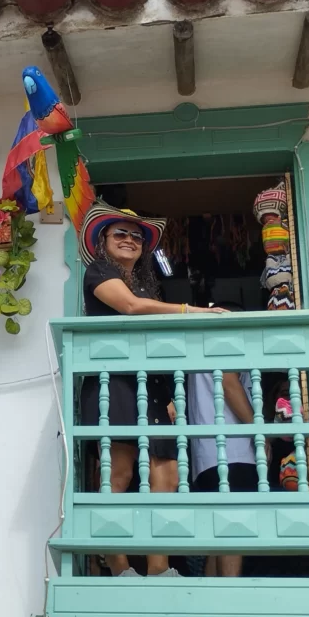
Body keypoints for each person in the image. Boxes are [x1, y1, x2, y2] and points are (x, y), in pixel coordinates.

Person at [78, 200, 227, 578]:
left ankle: (159, 568)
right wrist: (196, 311)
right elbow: (129, 307)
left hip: (153, 387)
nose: (129, 240)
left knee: (167, 473)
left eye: (137, 236)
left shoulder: (147, 283)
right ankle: (119, 567)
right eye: (120, 234)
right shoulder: (98, 272)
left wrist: (171, 395)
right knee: (121, 473)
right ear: (102, 242)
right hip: (116, 383)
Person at [186, 301, 257, 577]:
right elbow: (228, 383)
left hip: (205, 457)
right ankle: (231, 605)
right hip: (231, 449)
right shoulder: (222, 342)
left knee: (218, 535)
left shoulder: (197, 352)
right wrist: (259, 433)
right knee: (234, 528)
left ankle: (210, 610)